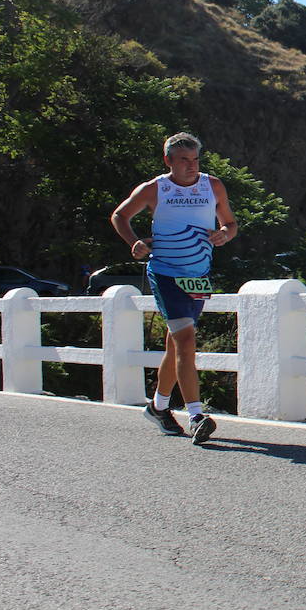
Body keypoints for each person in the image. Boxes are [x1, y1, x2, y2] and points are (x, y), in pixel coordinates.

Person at [111, 132, 237, 444]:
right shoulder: (155, 189)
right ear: (168, 160)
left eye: (195, 160)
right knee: (186, 338)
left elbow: (230, 223)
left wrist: (224, 234)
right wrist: (135, 242)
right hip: (166, 273)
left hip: (197, 275)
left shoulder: (213, 185)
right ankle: (196, 415)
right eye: (184, 160)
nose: (191, 167)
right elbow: (120, 215)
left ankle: (157, 407)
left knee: (175, 344)